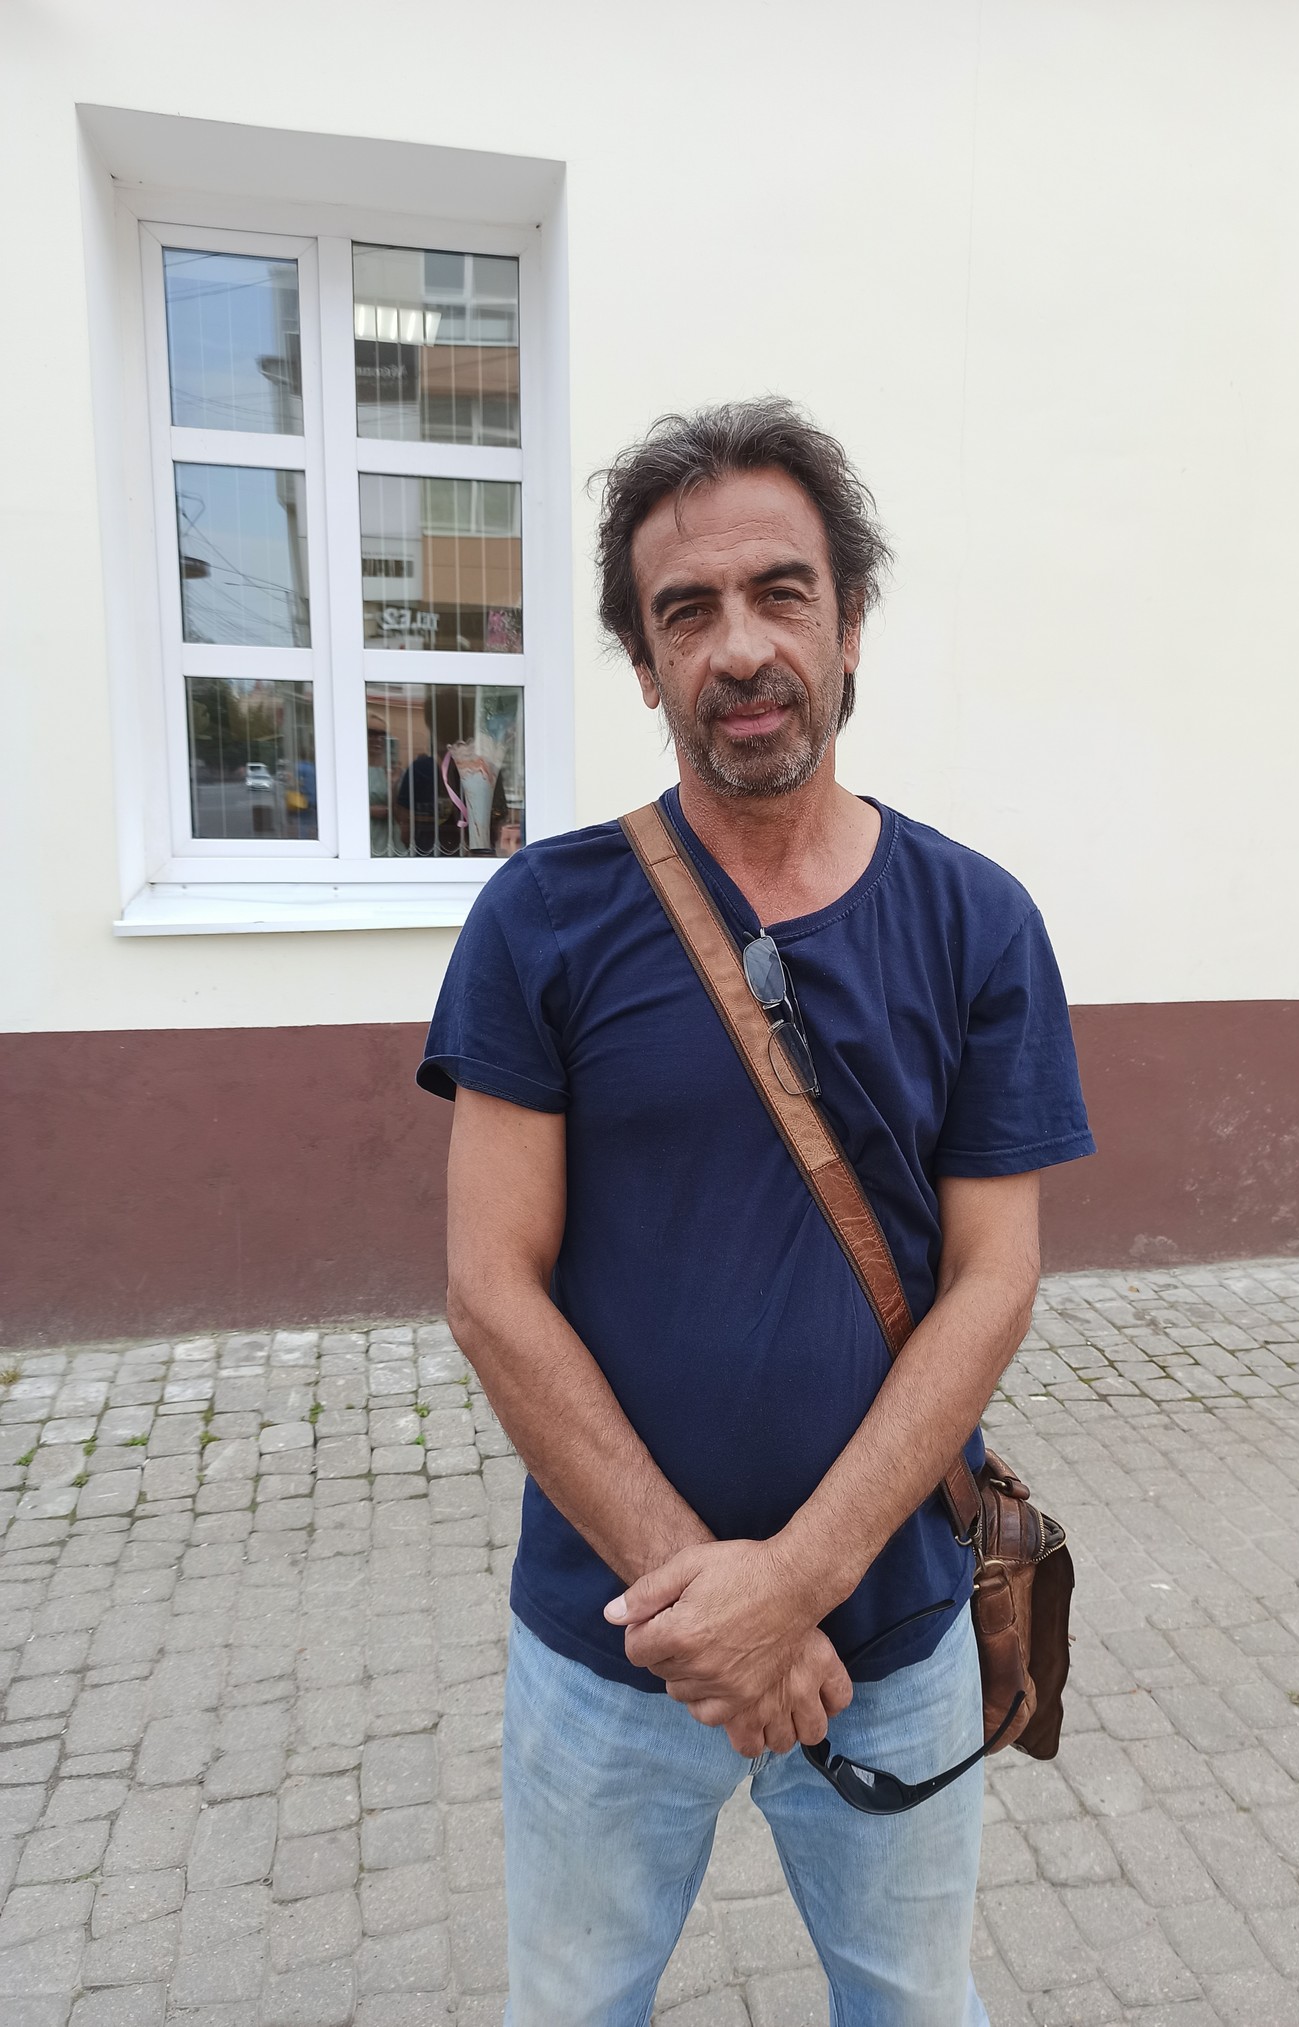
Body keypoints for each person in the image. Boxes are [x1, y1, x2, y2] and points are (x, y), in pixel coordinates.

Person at [419, 399, 1095, 2024]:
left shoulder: (978, 922)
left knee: (913, 2005)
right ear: (643, 664)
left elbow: (993, 1280)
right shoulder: (542, 918)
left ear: (849, 627)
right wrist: (711, 1603)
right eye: (687, 611)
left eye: (782, 593)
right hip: (615, 1644)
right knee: (573, 2009)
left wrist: (798, 1579)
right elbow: (490, 1288)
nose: (740, 647)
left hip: (894, 1632)